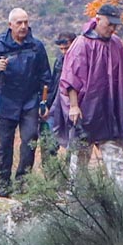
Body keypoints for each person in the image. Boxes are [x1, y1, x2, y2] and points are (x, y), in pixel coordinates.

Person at [59, 3, 123, 188]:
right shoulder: (82, 44)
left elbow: (122, 78)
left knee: (116, 161)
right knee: (79, 162)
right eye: (109, 24)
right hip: (86, 111)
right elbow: (71, 78)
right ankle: (77, 200)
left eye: (115, 25)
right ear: (98, 19)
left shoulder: (116, 44)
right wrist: (74, 106)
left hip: (109, 111)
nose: (112, 28)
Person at [0, 8, 52, 197]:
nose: (23, 26)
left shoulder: (36, 47)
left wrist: (44, 102)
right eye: (19, 23)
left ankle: (23, 184)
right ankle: (3, 185)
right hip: (6, 101)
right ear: (10, 25)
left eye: (26, 22)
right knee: (5, 145)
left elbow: (46, 76)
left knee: (30, 141)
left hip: (30, 101)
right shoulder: (0, 46)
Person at [41, 30, 76, 158]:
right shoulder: (59, 61)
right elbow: (53, 85)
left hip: (73, 107)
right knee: (49, 142)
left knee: (74, 145)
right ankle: (51, 168)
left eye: (66, 48)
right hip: (56, 106)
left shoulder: (81, 62)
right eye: (61, 49)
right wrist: (46, 104)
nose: (64, 52)